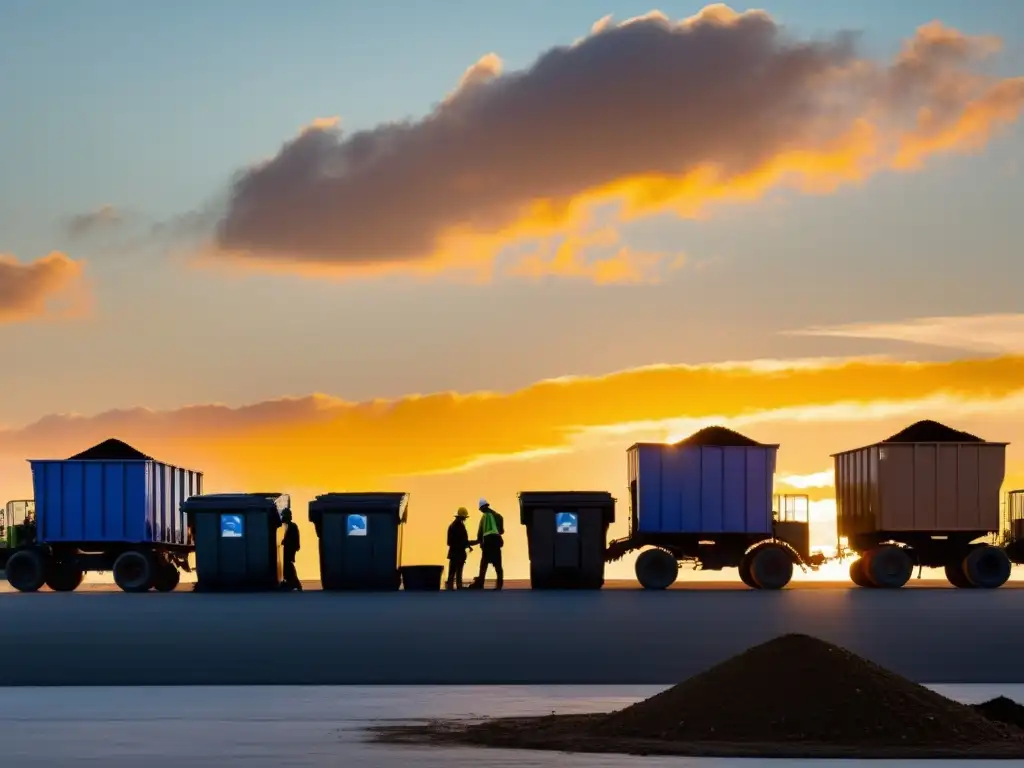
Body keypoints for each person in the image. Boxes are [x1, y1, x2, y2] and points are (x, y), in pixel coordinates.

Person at [468, 498, 504, 590]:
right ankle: (499, 586)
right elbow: (501, 531)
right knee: (498, 566)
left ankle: (480, 584)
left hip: (488, 544)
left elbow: (480, 534)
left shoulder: (484, 517)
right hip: (496, 543)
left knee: (483, 565)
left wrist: (474, 542)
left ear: (482, 508)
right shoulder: (498, 516)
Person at [445, 507, 473, 590]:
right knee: (458, 573)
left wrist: (467, 545)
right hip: (459, 553)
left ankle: (450, 588)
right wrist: (469, 544)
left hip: (453, 553)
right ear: (462, 517)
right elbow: (463, 540)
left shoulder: (452, 525)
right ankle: (459, 587)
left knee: (452, 573)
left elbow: (449, 542)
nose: (465, 519)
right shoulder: (460, 526)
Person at [280, 508, 302, 591]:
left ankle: (295, 583)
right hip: (289, 548)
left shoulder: (292, 526)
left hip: (290, 549)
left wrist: (285, 542)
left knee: (288, 565)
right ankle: (291, 582)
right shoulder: (289, 526)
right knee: (287, 565)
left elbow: (292, 539)